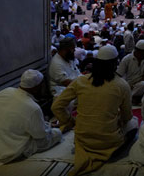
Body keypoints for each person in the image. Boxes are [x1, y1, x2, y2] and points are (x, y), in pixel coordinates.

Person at [52, 45, 138, 175]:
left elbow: (56, 106)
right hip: (108, 143)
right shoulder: (122, 85)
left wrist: (70, 121)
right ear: (115, 63)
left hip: (82, 140)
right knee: (134, 123)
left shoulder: (80, 81)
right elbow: (127, 117)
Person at [0, 70, 62, 163]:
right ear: (36, 88)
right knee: (56, 134)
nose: (44, 88)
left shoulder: (4, 92)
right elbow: (41, 135)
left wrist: (47, 125)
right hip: (4, 154)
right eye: (43, 85)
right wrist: (56, 129)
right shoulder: (32, 107)